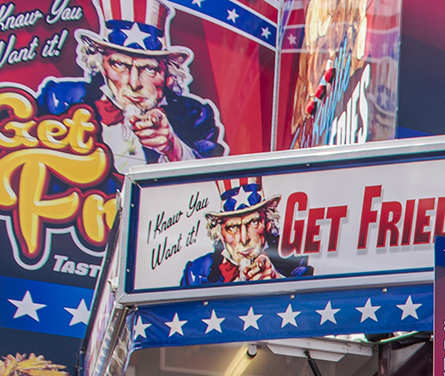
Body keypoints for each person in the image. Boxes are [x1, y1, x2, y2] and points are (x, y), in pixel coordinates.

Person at [38, 0, 223, 173]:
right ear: (101, 66)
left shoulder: (195, 115)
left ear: (168, 75)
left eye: (149, 69)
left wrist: (172, 147)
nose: (134, 83)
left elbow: (216, 181)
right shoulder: (59, 99)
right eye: (119, 64)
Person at [181, 177, 313, 286]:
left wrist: (276, 278)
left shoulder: (293, 260)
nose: (244, 239)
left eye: (253, 223)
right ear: (220, 234)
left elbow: (308, 306)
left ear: (267, 224)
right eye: (232, 227)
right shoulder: (197, 271)